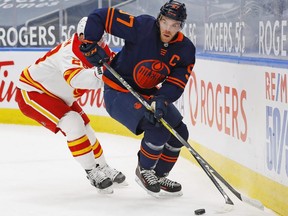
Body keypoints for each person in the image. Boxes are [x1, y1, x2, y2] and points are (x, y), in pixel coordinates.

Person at [80, 0, 195, 197]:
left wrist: (162, 99)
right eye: (166, 22)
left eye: (175, 25)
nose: (168, 29)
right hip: (118, 91)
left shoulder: (185, 49)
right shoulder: (142, 27)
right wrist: (90, 43)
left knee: (180, 133)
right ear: (159, 19)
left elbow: (177, 81)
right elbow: (101, 17)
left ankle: (158, 176)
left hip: (148, 93)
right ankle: (144, 170)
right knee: (157, 128)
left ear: (180, 26)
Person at [15, 17, 126, 194]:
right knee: (74, 123)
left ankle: (103, 167)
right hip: (33, 92)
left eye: (101, 38)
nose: (99, 43)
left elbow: (117, 66)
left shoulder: (99, 47)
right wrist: (102, 76)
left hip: (60, 96)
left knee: (87, 129)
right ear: (81, 36)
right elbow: (76, 79)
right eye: (94, 38)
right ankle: (92, 172)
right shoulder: (69, 52)